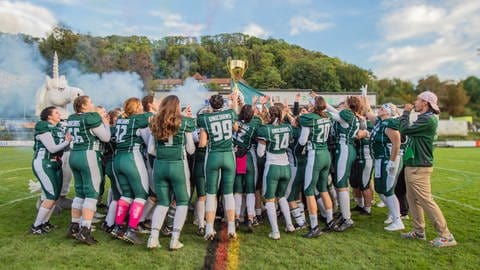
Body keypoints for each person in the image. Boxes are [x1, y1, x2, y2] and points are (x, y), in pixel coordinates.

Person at [399, 91, 457, 247]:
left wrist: (405, 113)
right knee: (412, 200)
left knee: (426, 201)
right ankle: (419, 231)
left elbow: (404, 130)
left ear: (425, 102)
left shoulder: (428, 119)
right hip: (413, 164)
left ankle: (446, 235)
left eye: (417, 100)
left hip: (419, 166)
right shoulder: (424, 118)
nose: (415, 102)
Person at [147, 95, 195, 250]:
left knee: (163, 202)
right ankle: (174, 239)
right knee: (182, 202)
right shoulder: (184, 121)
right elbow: (190, 149)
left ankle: (153, 238)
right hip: (178, 165)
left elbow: (151, 150)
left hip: (160, 166)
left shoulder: (155, 121)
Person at [66, 96, 111, 245]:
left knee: (80, 193)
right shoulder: (90, 117)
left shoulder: (72, 118)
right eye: (90, 102)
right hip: (88, 154)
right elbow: (105, 138)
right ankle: (85, 230)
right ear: (83, 106)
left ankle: (74, 226)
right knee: (92, 194)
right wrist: (106, 124)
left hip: (74, 155)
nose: (92, 104)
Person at [197, 93, 239, 240]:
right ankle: (232, 228)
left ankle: (209, 228)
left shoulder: (204, 118)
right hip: (228, 156)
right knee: (228, 193)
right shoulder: (230, 113)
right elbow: (235, 128)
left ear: (211, 104)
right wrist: (234, 102)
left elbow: (202, 143)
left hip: (213, 156)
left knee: (210, 194)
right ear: (223, 104)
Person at [110, 97, 151, 244]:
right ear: (137, 107)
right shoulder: (138, 119)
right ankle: (131, 230)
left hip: (118, 158)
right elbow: (151, 120)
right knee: (141, 194)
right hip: (132, 157)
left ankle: (118, 227)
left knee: (126, 194)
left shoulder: (120, 120)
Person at [30, 106, 73, 234]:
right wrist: (67, 142)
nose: (59, 114)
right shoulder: (44, 126)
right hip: (44, 163)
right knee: (50, 196)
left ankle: (45, 223)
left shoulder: (58, 127)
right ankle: (36, 226)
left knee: (54, 197)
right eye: (56, 112)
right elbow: (52, 148)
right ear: (49, 116)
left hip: (55, 163)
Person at [326, 96, 366, 232]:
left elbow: (332, 114)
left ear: (349, 105)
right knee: (339, 183)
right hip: (344, 149)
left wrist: (319, 106)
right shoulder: (349, 114)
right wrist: (321, 102)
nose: (342, 104)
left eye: (344, 102)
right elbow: (334, 112)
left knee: (341, 184)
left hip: (345, 149)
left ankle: (347, 218)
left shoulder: (347, 114)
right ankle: (344, 214)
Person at [257, 105, 295, 240]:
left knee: (269, 199)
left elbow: (260, 153)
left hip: (272, 166)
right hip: (286, 166)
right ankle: (290, 225)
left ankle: (275, 231)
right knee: (282, 196)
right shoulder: (288, 127)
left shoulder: (265, 129)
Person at [365, 102, 405, 231]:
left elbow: (396, 144)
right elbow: (367, 110)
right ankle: (393, 214)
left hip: (389, 159)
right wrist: (364, 96)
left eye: (383, 108)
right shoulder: (380, 122)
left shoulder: (390, 124)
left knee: (388, 190)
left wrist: (392, 163)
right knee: (380, 188)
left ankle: (398, 220)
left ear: (389, 112)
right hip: (379, 160)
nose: (380, 109)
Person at [298, 96, 333, 237]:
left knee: (309, 191)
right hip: (326, 154)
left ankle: (314, 226)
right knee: (323, 188)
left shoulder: (309, 118)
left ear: (313, 105)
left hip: (315, 155)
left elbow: (302, 141)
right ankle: (330, 220)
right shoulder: (327, 116)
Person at [233, 103, 262, 232]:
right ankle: (250, 217)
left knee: (238, 189)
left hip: (238, 156)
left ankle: (237, 217)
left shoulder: (236, 122)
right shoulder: (255, 123)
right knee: (250, 189)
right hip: (248, 156)